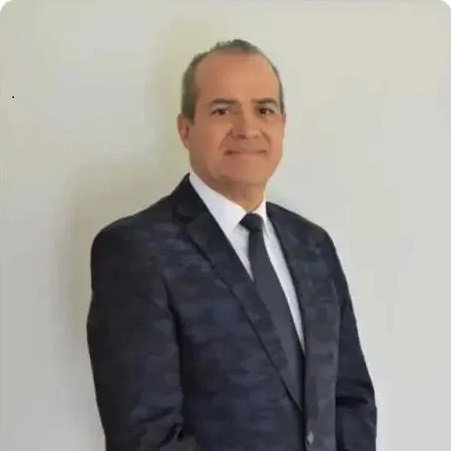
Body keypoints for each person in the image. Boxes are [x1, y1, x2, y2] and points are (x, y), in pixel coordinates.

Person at [87, 39, 377, 451]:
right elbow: (146, 438)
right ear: (186, 129)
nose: (247, 128)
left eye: (264, 110)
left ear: (282, 125)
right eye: (223, 110)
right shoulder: (136, 251)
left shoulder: (314, 245)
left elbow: (351, 398)